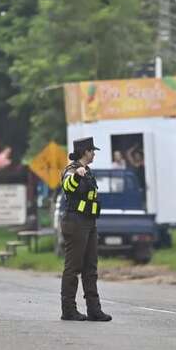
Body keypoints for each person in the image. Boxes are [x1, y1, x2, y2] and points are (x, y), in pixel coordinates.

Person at [60, 137, 111, 322]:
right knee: (73, 268)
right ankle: (68, 309)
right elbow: (67, 186)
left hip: (89, 223)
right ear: (85, 152)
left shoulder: (88, 171)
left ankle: (94, 309)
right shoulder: (72, 170)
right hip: (75, 222)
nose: (94, 154)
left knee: (91, 267)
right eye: (92, 151)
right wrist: (76, 176)